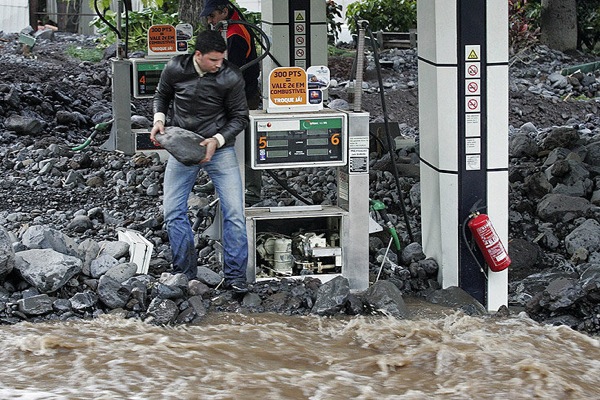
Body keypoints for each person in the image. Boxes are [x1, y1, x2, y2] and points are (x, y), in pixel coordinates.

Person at [150, 29, 250, 293]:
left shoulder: (231, 75)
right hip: (183, 146)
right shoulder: (176, 67)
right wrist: (159, 120)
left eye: (222, 59)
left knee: (235, 213)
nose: (219, 65)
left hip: (220, 149)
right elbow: (162, 95)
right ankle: (184, 273)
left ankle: (236, 277)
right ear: (198, 55)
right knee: (173, 211)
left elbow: (240, 117)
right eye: (214, 60)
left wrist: (216, 139)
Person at [200, 0, 263, 206]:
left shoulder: (236, 34)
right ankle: (219, 180)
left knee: (246, 141)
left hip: (243, 95)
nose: (210, 20)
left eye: (212, 16)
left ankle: (252, 190)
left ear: (225, 12)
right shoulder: (225, 30)